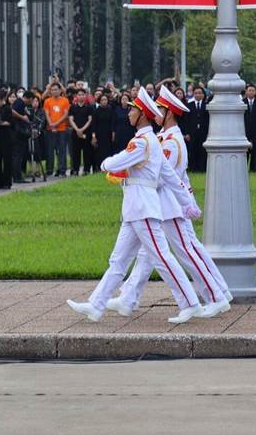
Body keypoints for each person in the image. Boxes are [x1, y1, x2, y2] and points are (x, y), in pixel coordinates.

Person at [67, 87, 204, 324]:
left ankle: (190, 303)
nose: (129, 113)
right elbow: (172, 177)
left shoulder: (142, 143)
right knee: (118, 260)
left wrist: (106, 164)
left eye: (133, 110)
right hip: (135, 208)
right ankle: (96, 305)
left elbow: (116, 163)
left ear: (142, 115)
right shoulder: (151, 141)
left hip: (143, 208)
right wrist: (187, 202)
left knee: (162, 258)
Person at [107, 85, 231, 317]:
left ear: (170, 113)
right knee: (149, 254)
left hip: (169, 204)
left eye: (160, 109)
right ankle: (128, 297)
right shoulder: (164, 138)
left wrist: (130, 174)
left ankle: (217, 295)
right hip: (162, 203)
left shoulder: (171, 141)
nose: (155, 113)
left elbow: (164, 177)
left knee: (186, 252)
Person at [42, 81, 70, 177]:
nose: (54, 91)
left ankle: (62, 170)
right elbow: (47, 114)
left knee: (61, 150)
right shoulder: (47, 101)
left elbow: (66, 114)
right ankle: (49, 170)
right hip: (50, 129)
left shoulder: (65, 100)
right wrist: (51, 124)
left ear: (60, 90)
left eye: (56, 89)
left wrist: (56, 124)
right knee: (50, 150)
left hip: (62, 129)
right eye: (52, 90)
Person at [68, 88, 94, 175]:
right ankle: (76, 169)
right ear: (76, 96)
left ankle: (86, 169)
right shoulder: (73, 107)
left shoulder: (89, 107)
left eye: (83, 94)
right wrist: (77, 130)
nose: (81, 96)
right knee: (76, 152)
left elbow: (90, 120)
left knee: (87, 151)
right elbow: (71, 119)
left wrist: (82, 129)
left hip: (86, 132)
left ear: (85, 96)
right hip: (75, 133)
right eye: (79, 95)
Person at [185, 85, 209, 171]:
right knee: (193, 150)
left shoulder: (207, 106)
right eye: (196, 93)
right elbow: (186, 120)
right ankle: (193, 168)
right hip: (192, 132)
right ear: (193, 94)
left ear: (203, 94)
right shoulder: (189, 105)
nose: (198, 95)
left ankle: (202, 168)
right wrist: (187, 133)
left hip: (204, 132)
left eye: (199, 93)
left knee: (202, 150)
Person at [91, 92, 115, 168]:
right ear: (99, 101)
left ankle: (108, 167)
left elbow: (113, 122)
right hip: (99, 135)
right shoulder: (96, 111)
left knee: (109, 151)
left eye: (105, 100)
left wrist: (113, 134)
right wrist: (94, 137)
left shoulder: (110, 110)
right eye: (102, 100)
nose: (104, 101)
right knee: (100, 152)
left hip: (108, 134)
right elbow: (94, 125)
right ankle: (100, 167)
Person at [243, 83, 256, 172]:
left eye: (253, 90)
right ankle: (243, 168)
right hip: (245, 131)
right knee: (245, 151)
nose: (251, 92)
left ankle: (254, 168)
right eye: (249, 90)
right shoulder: (242, 103)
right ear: (246, 92)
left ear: (255, 92)